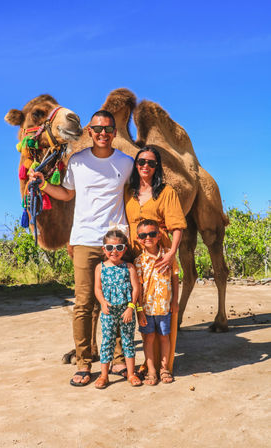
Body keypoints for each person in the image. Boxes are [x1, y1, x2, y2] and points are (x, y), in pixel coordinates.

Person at [29, 110, 133, 386]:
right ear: (90, 131)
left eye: (107, 129)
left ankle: (121, 358)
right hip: (85, 239)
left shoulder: (127, 162)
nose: (102, 133)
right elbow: (68, 194)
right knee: (84, 304)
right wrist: (43, 186)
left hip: (116, 241)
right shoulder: (77, 161)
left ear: (114, 132)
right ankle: (85, 362)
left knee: (120, 300)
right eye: (97, 129)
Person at [124, 145, 187, 377]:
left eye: (151, 163)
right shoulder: (128, 192)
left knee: (161, 309)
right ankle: (143, 363)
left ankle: (163, 367)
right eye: (141, 162)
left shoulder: (166, 191)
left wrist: (171, 255)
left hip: (160, 255)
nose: (145, 167)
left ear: (157, 166)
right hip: (134, 254)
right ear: (136, 164)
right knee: (141, 307)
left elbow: (177, 226)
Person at [94, 229, 142, 389]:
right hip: (108, 312)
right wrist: (102, 302)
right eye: (109, 248)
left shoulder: (129, 267)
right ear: (104, 249)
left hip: (126, 311)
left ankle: (131, 373)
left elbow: (136, 288)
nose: (114, 251)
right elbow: (97, 289)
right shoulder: (100, 268)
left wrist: (131, 307)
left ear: (125, 249)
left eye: (119, 248)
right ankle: (104, 375)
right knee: (107, 342)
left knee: (128, 341)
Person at [134, 219, 179, 385]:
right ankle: (151, 369)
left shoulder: (169, 255)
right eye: (143, 235)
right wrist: (139, 310)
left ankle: (164, 368)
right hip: (146, 308)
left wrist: (175, 301)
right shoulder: (139, 261)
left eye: (152, 234)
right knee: (149, 338)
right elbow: (137, 288)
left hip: (164, 307)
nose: (148, 238)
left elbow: (175, 279)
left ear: (159, 235)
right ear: (138, 238)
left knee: (164, 337)